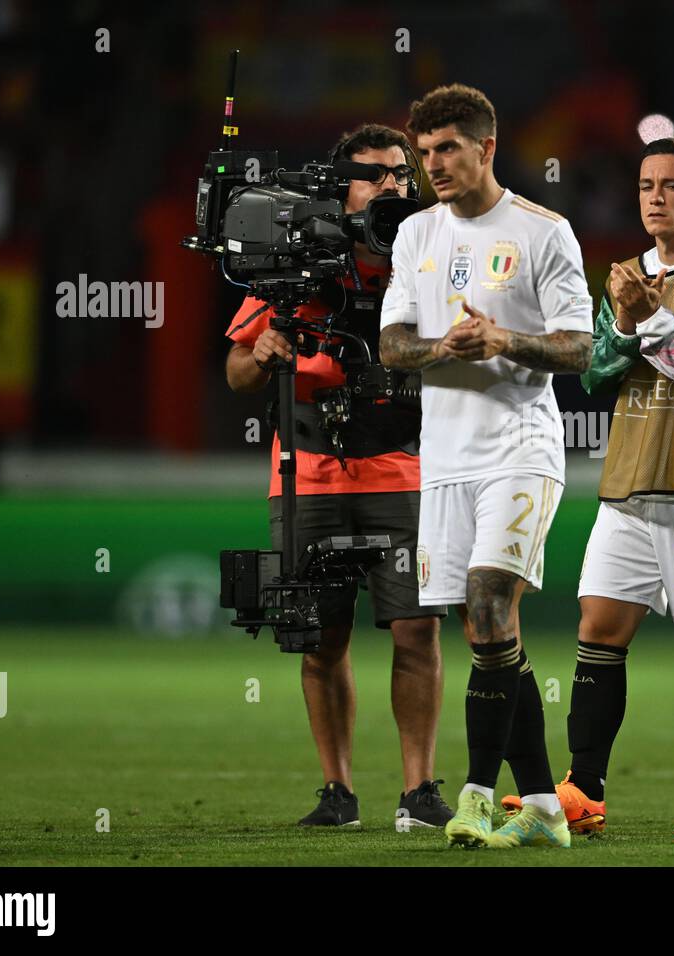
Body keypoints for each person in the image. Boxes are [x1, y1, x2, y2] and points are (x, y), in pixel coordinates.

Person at [508, 137, 674, 836]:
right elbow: (595, 372)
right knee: (597, 626)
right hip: (632, 475)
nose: (656, 197)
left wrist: (650, 320)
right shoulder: (627, 275)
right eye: (647, 185)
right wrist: (624, 319)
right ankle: (583, 790)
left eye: (672, 187)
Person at [379, 84, 593, 849]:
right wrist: (446, 347)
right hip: (446, 461)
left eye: (447, 149)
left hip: (520, 450)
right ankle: (542, 802)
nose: (434, 164)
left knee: (488, 597)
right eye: (424, 151)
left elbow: (581, 346)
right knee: (487, 630)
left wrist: (505, 341)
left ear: (486, 148)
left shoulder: (544, 232)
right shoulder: (414, 237)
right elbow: (392, 345)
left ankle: (474, 796)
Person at [224, 123, 451, 832]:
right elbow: (234, 374)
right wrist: (262, 351)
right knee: (320, 640)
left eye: (400, 176)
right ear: (338, 186)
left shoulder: (431, 255)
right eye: (374, 174)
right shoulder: (294, 259)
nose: (390, 187)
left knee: (415, 630)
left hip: (404, 468)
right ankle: (337, 792)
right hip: (310, 472)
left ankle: (418, 791)